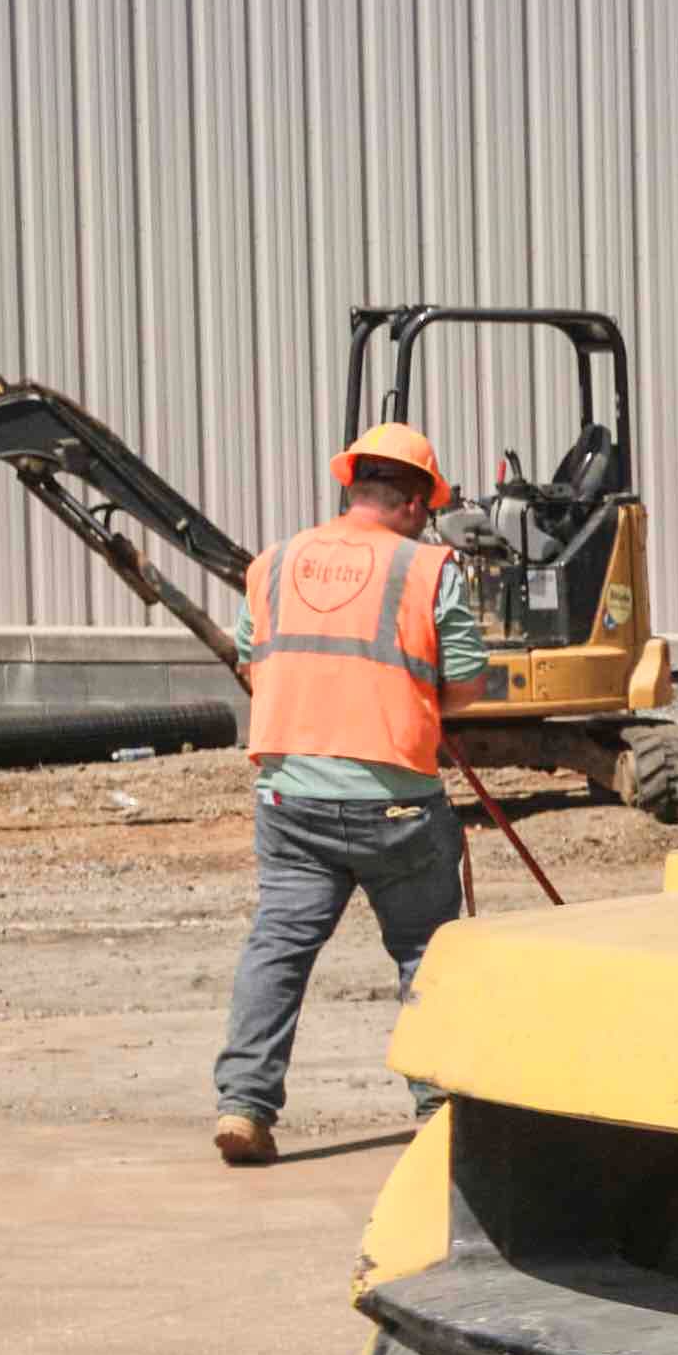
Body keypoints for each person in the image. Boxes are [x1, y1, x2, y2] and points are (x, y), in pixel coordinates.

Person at [213, 419, 507, 1163]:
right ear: (414, 502)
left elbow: (254, 659)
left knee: (278, 947)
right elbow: (466, 683)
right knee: (424, 951)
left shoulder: (275, 562)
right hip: (396, 798)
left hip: (290, 797)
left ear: (354, 488)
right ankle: (437, 1107)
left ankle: (245, 1106)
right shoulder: (427, 569)